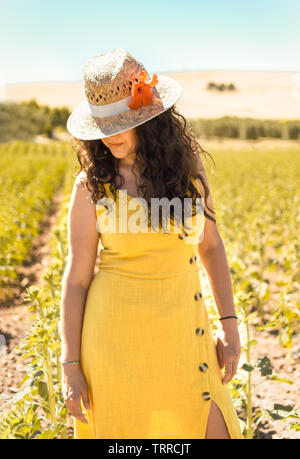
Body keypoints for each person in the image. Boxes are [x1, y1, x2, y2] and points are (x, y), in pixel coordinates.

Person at [60, 48, 243, 439]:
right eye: (101, 126)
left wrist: (229, 324)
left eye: (119, 123)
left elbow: (210, 246)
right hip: (113, 342)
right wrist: (70, 365)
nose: (108, 137)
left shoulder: (187, 169)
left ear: (148, 118)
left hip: (184, 333)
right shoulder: (92, 185)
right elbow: (77, 280)